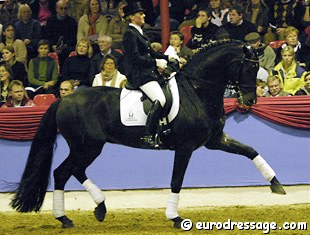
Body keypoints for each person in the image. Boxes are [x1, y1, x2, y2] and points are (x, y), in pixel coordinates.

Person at [122, 2, 176, 147]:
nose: (143, 15)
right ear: (132, 17)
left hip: (147, 72)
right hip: (139, 74)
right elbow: (135, 58)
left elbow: (150, 52)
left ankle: (164, 127)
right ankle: (148, 134)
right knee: (160, 99)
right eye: (140, 14)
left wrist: (166, 58)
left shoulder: (139, 31)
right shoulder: (129, 33)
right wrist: (155, 63)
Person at [44, 0, 78, 70]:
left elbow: (73, 38)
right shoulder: (50, 20)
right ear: (56, 9)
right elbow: (47, 36)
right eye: (61, 8)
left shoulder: (72, 22)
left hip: (66, 47)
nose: (63, 10)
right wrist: (52, 46)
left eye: (65, 8)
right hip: (53, 47)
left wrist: (64, 46)